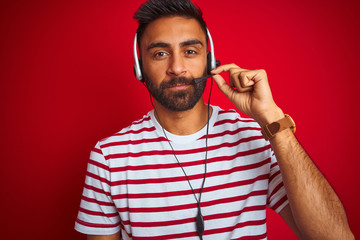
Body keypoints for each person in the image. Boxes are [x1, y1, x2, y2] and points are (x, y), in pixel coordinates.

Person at [75, 0, 354, 239]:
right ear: (140, 68)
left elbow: (335, 236)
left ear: (209, 61)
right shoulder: (109, 157)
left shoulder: (257, 136)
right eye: (160, 54)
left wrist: (273, 120)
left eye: (190, 51)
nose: (177, 67)